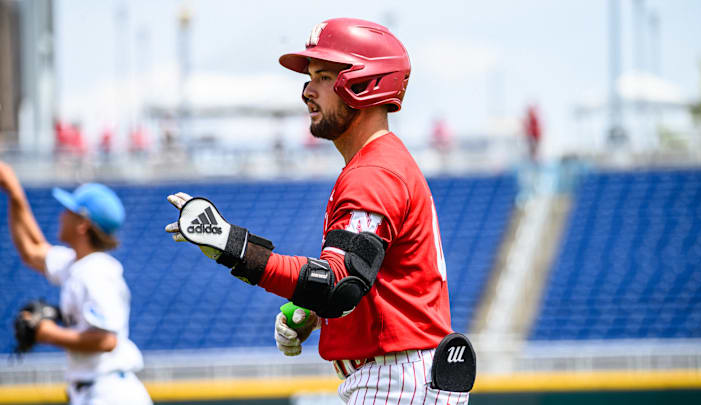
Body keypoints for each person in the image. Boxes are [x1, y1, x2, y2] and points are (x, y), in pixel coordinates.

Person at [165, 18, 473, 404]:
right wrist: (311, 310)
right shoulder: (377, 164)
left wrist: (235, 246)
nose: (307, 91)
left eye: (323, 76)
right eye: (309, 77)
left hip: (396, 379)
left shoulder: (373, 173)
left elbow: (337, 285)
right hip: (402, 374)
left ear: (364, 82)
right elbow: (369, 281)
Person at [0, 162, 153, 405]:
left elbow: (106, 340)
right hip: (92, 392)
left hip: (110, 394)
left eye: (69, 211)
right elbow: (32, 250)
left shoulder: (98, 272)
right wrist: (14, 193)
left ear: (83, 225)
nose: (62, 216)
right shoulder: (77, 264)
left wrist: (50, 334)